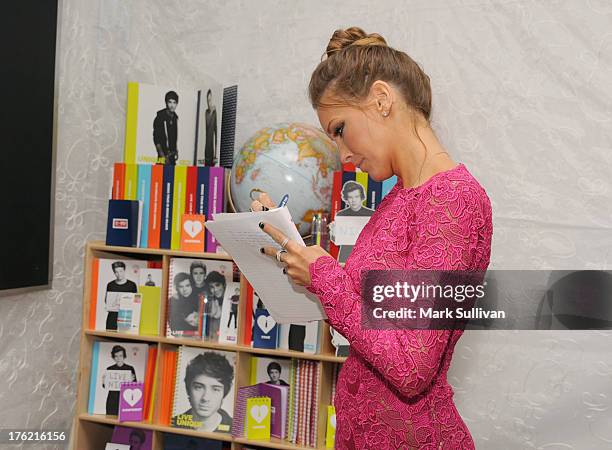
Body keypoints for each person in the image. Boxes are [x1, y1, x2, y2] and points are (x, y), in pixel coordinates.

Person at [251, 27, 493, 449]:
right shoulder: (399, 197)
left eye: (340, 128)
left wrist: (325, 277)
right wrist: (304, 264)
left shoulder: (453, 199)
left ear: (381, 100)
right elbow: (372, 315)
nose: (342, 154)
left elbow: (411, 365)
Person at [172, 352, 234, 433]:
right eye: (199, 387)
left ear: (224, 393)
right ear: (188, 389)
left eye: (215, 389)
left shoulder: (234, 429)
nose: (205, 398)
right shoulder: (173, 425)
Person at [333, 180, 375, 263]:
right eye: (350, 197)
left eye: (356, 197)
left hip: (366, 256)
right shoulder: (340, 215)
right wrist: (333, 234)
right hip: (345, 256)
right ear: (346, 199)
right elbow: (336, 240)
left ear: (361, 197)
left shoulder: (372, 214)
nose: (353, 200)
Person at [102, 345, 136, 415]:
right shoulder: (109, 369)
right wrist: (103, 382)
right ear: (113, 357)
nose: (118, 358)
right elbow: (106, 386)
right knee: (110, 418)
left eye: (120, 356)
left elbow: (135, 386)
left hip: (126, 398)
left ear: (124, 356)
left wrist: (132, 382)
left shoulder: (130, 368)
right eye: (116, 356)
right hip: (112, 398)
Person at [105, 261, 138, 331]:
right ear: (114, 272)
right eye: (116, 272)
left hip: (126, 317)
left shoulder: (132, 285)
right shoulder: (110, 285)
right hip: (112, 317)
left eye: (121, 271)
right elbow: (106, 300)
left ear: (124, 271)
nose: (119, 274)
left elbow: (136, 303)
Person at [153, 90, 179, 165]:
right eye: (170, 102)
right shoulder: (159, 118)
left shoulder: (175, 118)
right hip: (162, 157)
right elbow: (156, 140)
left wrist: (176, 150)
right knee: (159, 175)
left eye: (174, 102)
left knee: (172, 176)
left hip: (172, 157)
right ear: (166, 103)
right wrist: (163, 157)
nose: (172, 105)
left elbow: (173, 137)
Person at [204, 271, 226, 340]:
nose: (215, 289)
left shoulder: (230, 297)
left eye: (217, 285)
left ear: (223, 284)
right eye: (212, 287)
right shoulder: (210, 300)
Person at [203, 89, 217, 166]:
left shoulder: (216, 113)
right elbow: (207, 126)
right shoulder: (207, 112)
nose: (210, 103)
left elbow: (216, 132)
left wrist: (216, 153)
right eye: (208, 101)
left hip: (213, 148)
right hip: (207, 147)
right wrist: (211, 111)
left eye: (211, 100)